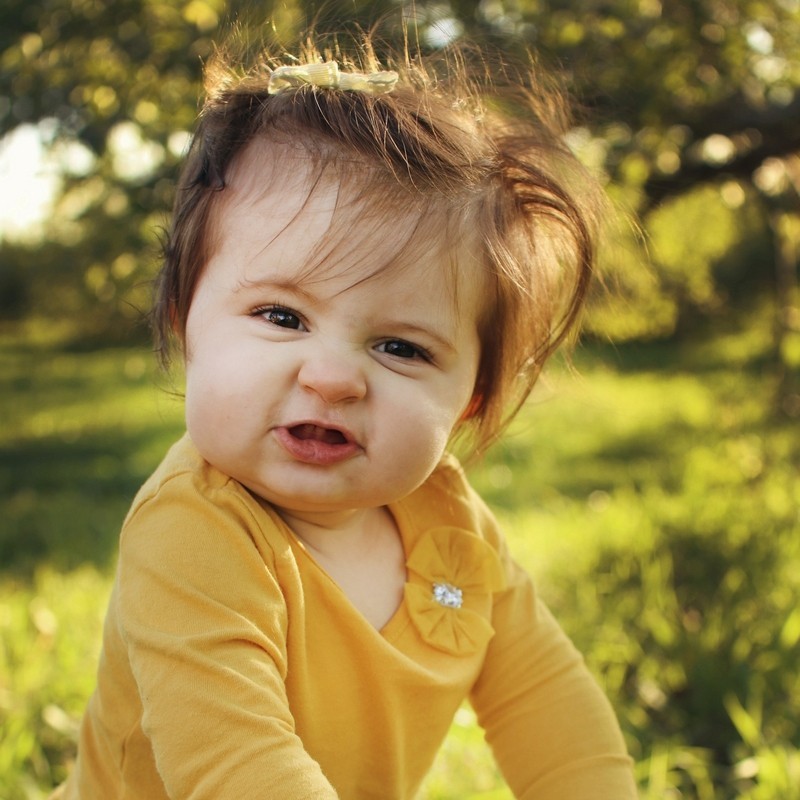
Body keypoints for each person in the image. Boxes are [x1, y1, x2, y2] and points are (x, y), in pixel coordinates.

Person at [52, 31, 637, 800]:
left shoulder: (447, 524)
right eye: (282, 316)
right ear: (180, 319)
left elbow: (546, 704)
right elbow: (240, 771)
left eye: (400, 346)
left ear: (472, 398)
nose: (332, 379)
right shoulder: (190, 534)